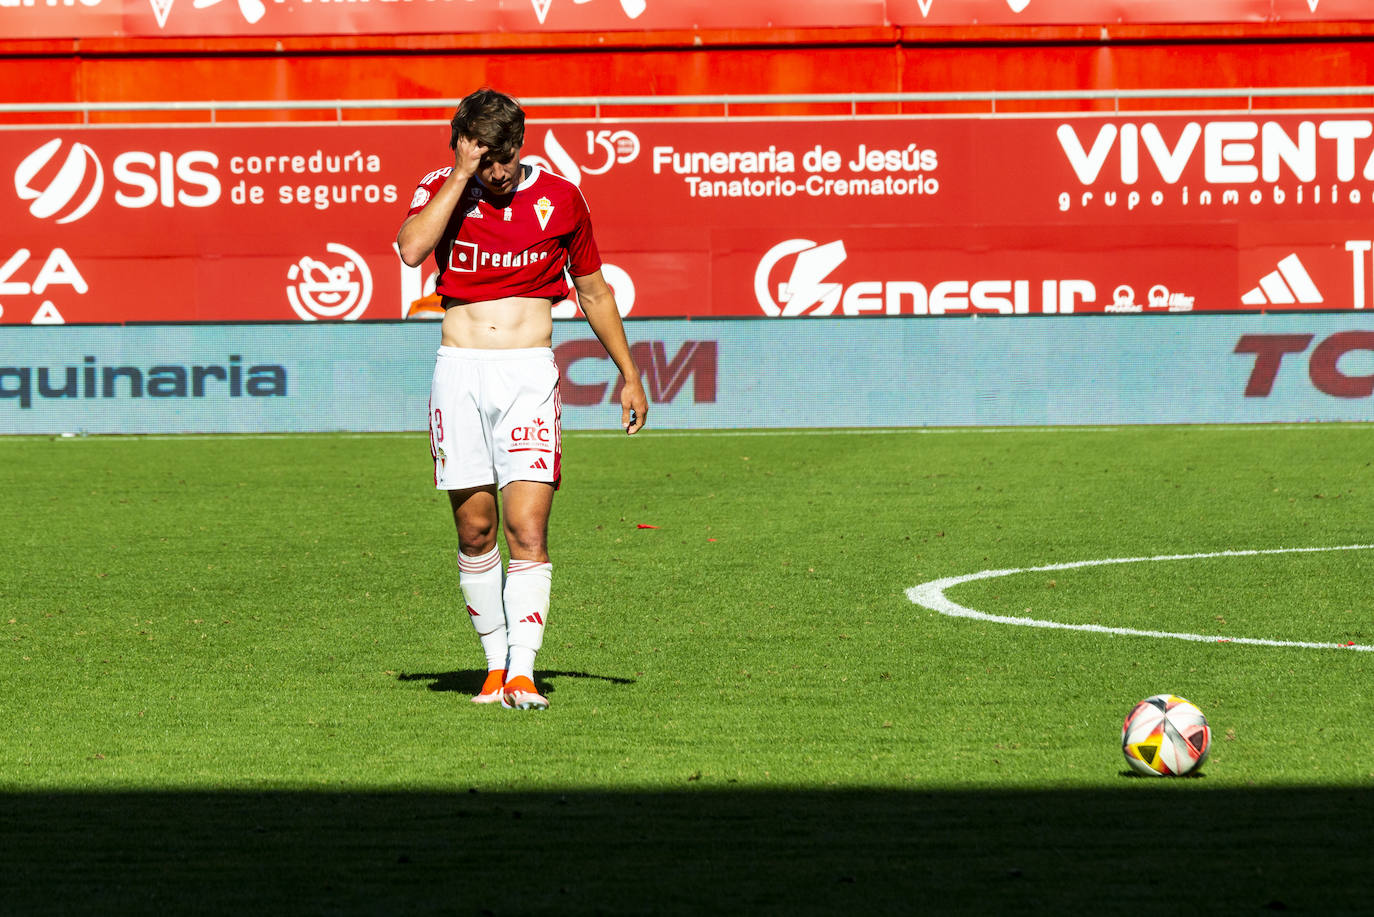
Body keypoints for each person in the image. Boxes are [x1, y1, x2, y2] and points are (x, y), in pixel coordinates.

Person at [396, 88, 648, 711]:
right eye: (486, 159)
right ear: (463, 148)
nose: (500, 171)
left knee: (526, 528)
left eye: (507, 155)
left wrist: (630, 373)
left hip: (529, 376)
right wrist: (460, 174)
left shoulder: (561, 197)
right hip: (459, 373)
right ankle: (492, 663)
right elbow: (409, 250)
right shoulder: (442, 187)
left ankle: (524, 672)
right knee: (475, 530)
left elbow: (593, 291)